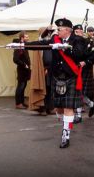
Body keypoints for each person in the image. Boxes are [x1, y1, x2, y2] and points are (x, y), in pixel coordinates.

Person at [25, 18, 85, 148]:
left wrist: (64, 48)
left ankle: (66, 135)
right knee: (58, 108)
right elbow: (42, 44)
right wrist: (23, 45)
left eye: (59, 29)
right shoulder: (54, 39)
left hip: (70, 76)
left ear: (68, 30)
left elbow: (79, 54)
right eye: (57, 29)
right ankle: (65, 124)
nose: (57, 31)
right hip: (57, 77)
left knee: (69, 108)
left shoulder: (78, 40)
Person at [73, 24, 94, 123]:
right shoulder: (71, 42)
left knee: (79, 92)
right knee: (77, 92)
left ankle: (79, 115)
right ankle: (92, 105)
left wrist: (86, 62)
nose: (79, 33)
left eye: (80, 31)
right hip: (74, 69)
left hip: (85, 69)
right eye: (76, 31)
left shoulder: (88, 42)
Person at [13, 31, 31, 109]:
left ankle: (22, 102)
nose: (28, 38)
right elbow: (15, 59)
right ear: (22, 38)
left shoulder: (23, 45)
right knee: (20, 86)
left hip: (25, 70)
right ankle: (18, 103)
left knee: (23, 86)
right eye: (26, 37)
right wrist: (24, 64)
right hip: (22, 70)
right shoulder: (18, 46)